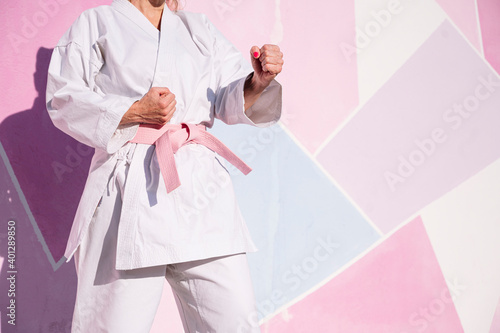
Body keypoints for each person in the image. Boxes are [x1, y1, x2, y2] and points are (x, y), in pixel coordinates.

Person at [45, 0, 283, 332]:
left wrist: (257, 82)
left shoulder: (198, 28)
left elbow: (228, 96)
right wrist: (133, 112)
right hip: (126, 191)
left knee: (235, 321)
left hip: (200, 190)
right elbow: (63, 97)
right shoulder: (97, 23)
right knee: (113, 324)